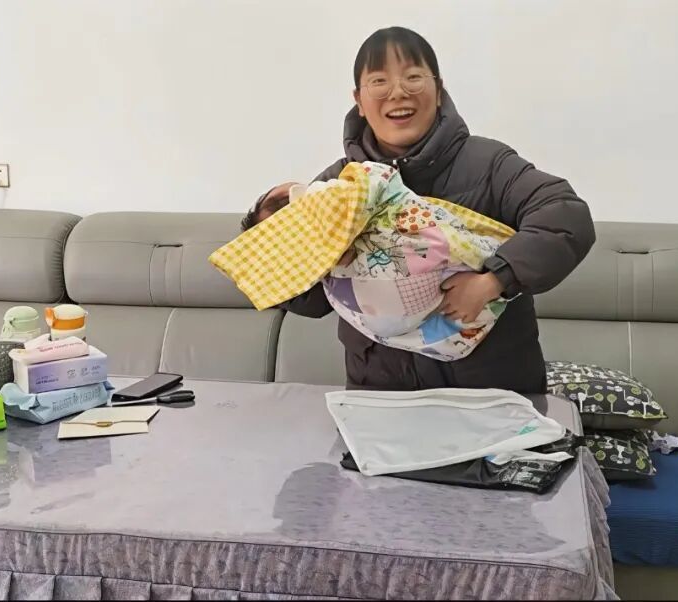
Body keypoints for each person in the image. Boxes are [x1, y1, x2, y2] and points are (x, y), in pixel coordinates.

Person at [253, 26, 595, 393]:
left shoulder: (489, 163)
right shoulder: (339, 184)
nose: (398, 92)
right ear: (359, 100)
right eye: (379, 81)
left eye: (413, 77)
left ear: (439, 89)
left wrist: (494, 281)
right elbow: (310, 299)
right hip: (380, 393)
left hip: (490, 394)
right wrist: (265, 225)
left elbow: (565, 217)